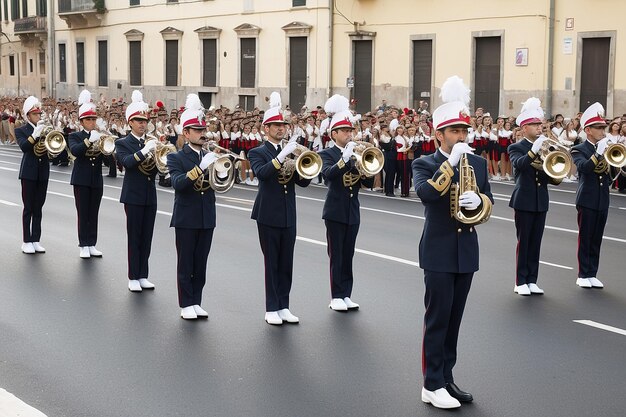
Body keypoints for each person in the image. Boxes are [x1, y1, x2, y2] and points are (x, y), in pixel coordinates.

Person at [412, 76, 493, 409]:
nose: (461, 136)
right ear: (438, 135)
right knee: (438, 319)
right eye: (455, 131)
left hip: (465, 253)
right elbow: (427, 194)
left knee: (454, 320)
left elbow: (488, 201)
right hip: (439, 251)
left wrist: (480, 204)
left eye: (464, 131)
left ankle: (446, 378)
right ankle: (431, 384)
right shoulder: (425, 162)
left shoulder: (477, 162)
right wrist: (449, 163)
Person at [248, 92, 311, 325]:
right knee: (272, 262)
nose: (281, 128)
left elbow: (303, 182)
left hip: (288, 214)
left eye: (283, 125)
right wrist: (281, 157)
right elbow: (262, 174)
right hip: (268, 213)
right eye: (275, 125)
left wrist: (302, 163)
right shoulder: (257, 152)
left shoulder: (291, 149)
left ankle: (284, 305)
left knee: (286, 262)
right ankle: (271, 307)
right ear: (266, 128)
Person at [319, 95, 374, 312]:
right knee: (337, 255)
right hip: (334, 211)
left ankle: (346, 294)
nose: (349, 134)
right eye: (345, 131)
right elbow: (328, 175)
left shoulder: (356, 153)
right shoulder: (327, 153)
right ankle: (336, 296)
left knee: (349, 254)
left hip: (353, 211)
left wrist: (366, 166)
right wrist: (344, 160)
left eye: (351, 131)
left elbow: (368, 182)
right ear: (334, 134)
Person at [167, 94, 218, 319]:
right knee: (186, 262)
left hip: (207, 215)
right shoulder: (176, 157)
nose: (202, 133)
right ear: (186, 134)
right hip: (186, 217)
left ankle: (197, 300)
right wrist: (199, 168)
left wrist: (223, 170)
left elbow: (221, 185)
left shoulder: (209, 155)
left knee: (201, 263)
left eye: (203, 129)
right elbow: (178, 183)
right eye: (197, 130)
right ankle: (186, 303)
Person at [508, 98, 562, 296]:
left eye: (540, 124)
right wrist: (533, 150)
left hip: (541, 200)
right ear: (524, 128)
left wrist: (556, 172)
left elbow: (551, 176)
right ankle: (520, 281)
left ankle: (532, 280)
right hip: (524, 199)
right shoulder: (517, 147)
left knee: (536, 242)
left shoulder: (547, 145)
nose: (539, 128)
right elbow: (519, 166)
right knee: (524, 242)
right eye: (534, 124)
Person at [115, 90, 158, 292]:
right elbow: (127, 163)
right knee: (135, 237)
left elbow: (160, 167)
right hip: (133, 196)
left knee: (147, 237)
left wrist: (162, 155)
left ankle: (143, 274)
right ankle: (133, 276)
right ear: (130, 122)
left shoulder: (151, 141)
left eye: (145, 120)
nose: (143, 124)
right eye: (139, 120)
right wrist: (144, 150)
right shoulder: (123, 143)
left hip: (150, 195)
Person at [571, 103, 611, 289]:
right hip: (587, 199)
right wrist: (599, 152)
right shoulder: (579, 149)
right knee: (586, 237)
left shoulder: (606, 147)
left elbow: (609, 177)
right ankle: (583, 274)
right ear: (588, 130)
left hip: (602, 199)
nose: (603, 131)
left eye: (604, 127)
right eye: (599, 128)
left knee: (597, 238)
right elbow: (585, 168)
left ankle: (592, 273)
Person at [67, 90, 105, 259]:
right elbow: (76, 151)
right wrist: (89, 140)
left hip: (96, 179)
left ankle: (92, 243)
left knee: (93, 213)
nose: (91, 122)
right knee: (83, 213)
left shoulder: (100, 136)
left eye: (93, 119)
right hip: (81, 180)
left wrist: (106, 146)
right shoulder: (75, 136)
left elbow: (105, 157)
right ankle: (83, 244)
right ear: (82, 121)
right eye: (88, 119)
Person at [15, 96, 49, 254]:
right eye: (35, 114)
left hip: (42, 172)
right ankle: (26, 240)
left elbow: (53, 148)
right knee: (28, 207)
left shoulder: (45, 128)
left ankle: (35, 239)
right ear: (28, 115)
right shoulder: (21, 130)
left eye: (39, 114)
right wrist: (35, 135)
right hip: (28, 173)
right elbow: (24, 147)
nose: (38, 116)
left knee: (38, 207)